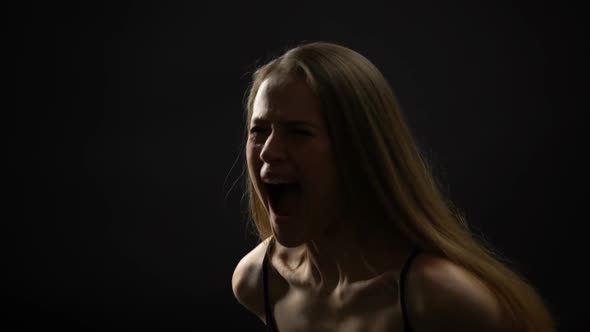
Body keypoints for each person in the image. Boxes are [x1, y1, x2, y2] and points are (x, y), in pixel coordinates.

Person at [231, 41, 555, 331]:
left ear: (359, 150)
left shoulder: (440, 298)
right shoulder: (258, 282)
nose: (269, 151)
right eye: (259, 131)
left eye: (298, 132)